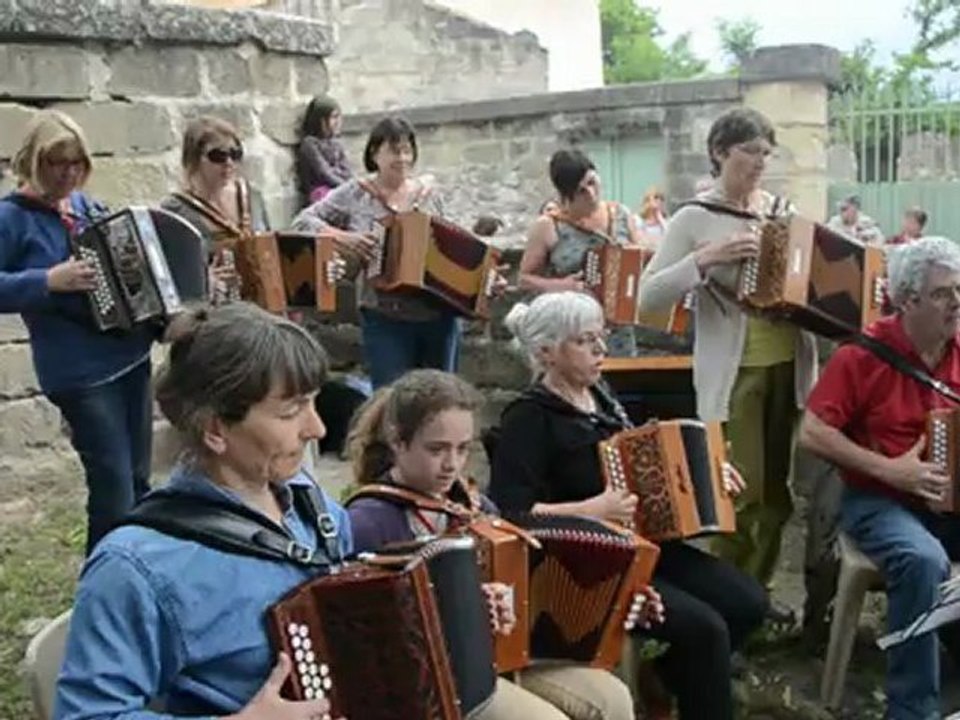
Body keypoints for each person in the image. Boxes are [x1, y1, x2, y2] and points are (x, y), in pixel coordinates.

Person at [55, 302, 350, 718]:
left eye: (313, 404)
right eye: (290, 412)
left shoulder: (317, 513)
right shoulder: (135, 567)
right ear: (215, 429)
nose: (317, 429)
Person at [489, 291, 768, 720]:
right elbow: (509, 512)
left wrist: (711, 478)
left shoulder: (601, 397)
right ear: (546, 352)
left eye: (601, 337)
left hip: (642, 544)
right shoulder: (527, 418)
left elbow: (649, 464)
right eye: (584, 341)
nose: (601, 350)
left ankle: (666, 676)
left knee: (748, 603)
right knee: (705, 629)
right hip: (584, 566)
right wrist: (590, 510)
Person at [345, 368, 650, 720]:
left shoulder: (477, 507)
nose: (452, 465)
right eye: (437, 449)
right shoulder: (369, 521)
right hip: (438, 680)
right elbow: (368, 634)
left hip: (508, 659)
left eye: (462, 449)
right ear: (398, 441)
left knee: (613, 700)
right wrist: (466, 611)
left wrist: (617, 598)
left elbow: (526, 594)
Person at [638, 107, 819, 595]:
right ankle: (730, 604)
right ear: (720, 152)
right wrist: (704, 259)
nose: (759, 162)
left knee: (778, 497)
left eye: (765, 152)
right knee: (742, 494)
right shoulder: (693, 217)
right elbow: (648, 295)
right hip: (734, 374)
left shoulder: (781, 211)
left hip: (790, 365)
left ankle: (756, 597)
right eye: (749, 152)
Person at [799, 237, 960, 720]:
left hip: (951, 500)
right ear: (907, 300)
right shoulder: (862, 355)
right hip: (880, 500)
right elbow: (812, 433)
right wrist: (894, 471)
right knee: (922, 559)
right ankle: (913, 710)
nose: (957, 302)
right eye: (943, 294)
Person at [0, 110, 156, 555]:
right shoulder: (12, 218)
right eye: (56, 164)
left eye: (76, 165)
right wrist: (47, 281)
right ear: (33, 160)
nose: (68, 175)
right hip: (79, 371)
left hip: (129, 355)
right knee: (113, 487)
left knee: (140, 482)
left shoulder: (89, 207)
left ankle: (138, 575)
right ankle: (103, 584)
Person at [292, 116, 461, 389]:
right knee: (390, 398)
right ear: (375, 153)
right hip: (385, 317)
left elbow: (453, 244)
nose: (403, 158)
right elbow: (303, 222)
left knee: (440, 396)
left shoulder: (428, 194)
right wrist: (345, 238)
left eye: (408, 150)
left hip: (437, 315)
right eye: (394, 151)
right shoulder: (357, 193)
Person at [518, 149, 645, 357]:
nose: (591, 195)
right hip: (574, 331)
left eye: (592, 183)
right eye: (581, 191)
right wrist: (562, 286)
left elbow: (643, 261)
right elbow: (524, 279)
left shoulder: (621, 214)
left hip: (620, 329)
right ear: (565, 194)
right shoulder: (549, 225)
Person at [161, 116, 269, 303]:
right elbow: (168, 277)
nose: (228, 162)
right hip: (214, 315)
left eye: (235, 154)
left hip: (264, 307)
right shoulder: (176, 211)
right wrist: (204, 282)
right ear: (194, 159)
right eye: (217, 156)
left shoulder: (252, 197)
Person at [296, 95, 352, 207]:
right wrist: (346, 187)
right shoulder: (310, 144)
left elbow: (347, 171)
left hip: (339, 189)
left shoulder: (336, 143)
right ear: (321, 120)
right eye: (333, 117)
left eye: (339, 117)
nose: (338, 122)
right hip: (320, 194)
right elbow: (323, 173)